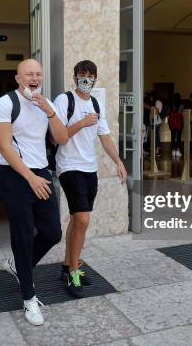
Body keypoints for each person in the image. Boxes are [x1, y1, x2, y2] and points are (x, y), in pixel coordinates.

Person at [0, 59, 68, 326]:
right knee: (22, 235)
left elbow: (61, 138)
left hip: (41, 171)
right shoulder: (4, 103)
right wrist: (29, 177)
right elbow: (5, 146)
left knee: (52, 232)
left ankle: (19, 265)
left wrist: (50, 112)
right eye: (28, 74)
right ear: (17, 78)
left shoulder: (47, 104)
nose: (34, 78)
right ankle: (29, 298)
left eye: (38, 74)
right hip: (14, 174)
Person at [54, 60, 127, 298]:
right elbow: (59, 137)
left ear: (96, 78)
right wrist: (82, 123)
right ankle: (74, 270)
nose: (86, 79)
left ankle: (67, 263)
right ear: (74, 77)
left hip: (89, 169)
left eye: (90, 75)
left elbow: (105, 137)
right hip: (69, 166)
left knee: (78, 220)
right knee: (83, 219)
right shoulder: (64, 100)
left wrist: (118, 162)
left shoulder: (96, 103)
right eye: (82, 75)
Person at [168, 93, 183, 158]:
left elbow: (169, 113)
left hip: (172, 123)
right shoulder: (181, 104)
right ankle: (178, 150)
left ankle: (173, 150)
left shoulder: (171, 104)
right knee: (179, 137)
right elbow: (182, 113)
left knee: (173, 136)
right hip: (179, 123)